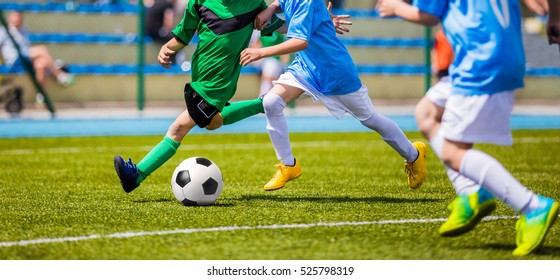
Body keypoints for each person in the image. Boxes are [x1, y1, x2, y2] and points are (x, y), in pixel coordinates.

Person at [376, 0, 559, 256]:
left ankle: (532, 206)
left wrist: (395, 7)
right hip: (495, 58)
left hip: (481, 63)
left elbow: (427, 15)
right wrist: (554, 16)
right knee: (426, 113)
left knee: (453, 152)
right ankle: (471, 194)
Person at [240, 1, 427, 192]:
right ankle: (289, 165)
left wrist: (261, 52)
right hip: (306, 68)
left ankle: (414, 155)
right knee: (271, 102)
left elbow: (300, 41)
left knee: (371, 119)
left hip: (334, 71)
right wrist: (271, 9)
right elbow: (283, 3)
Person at [113, 0, 288, 193]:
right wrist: (167, 47)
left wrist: (317, 25)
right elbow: (183, 35)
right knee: (213, 121)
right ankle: (263, 103)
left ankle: (136, 175)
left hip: (216, 84)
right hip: (199, 79)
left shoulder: (253, 4)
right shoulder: (200, 2)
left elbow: (283, 27)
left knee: (177, 129)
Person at [0, 11, 75, 99]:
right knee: (42, 50)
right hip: (14, 59)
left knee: (41, 64)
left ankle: (41, 95)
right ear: (10, 18)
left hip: (26, 58)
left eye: (19, 17)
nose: (17, 19)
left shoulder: (23, 30)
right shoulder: (4, 31)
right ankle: (59, 74)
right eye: (15, 17)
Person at [249, 30, 290, 97]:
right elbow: (256, 46)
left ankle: (264, 96)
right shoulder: (262, 33)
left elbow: (285, 55)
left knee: (272, 68)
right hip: (265, 61)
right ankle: (264, 96)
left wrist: (284, 64)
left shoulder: (279, 34)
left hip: (277, 63)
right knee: (270, 66)